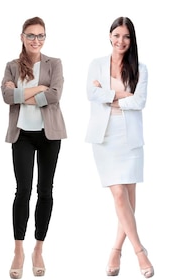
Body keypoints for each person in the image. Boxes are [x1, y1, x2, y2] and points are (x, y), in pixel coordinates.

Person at [85, 16, 153, 278]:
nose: (121, 41)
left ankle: (115, 249)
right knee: (118, 195)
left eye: (126, 36)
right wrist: (122, 95)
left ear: (131, 39)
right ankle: (140, 252)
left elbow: (140, 102)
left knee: (128, 199)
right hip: (104, 138)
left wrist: (110, 98)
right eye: (117, 35)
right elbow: (92, 95)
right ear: (110, 36)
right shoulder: (96, 65)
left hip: (130, 138)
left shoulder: (141, 68)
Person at [0, 17, 66, 279]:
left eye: (41, 36)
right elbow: (6, 97)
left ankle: (38, 248)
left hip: (50, 134)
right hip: (22, 135)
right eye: (31, 35)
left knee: (45, 190)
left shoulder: (55, 64)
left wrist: (23, 93)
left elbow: (55, 94)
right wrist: (39, 89)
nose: (36, 40)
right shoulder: (12, 66)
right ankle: (18, 250)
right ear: (22, 37)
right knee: (23, 190)